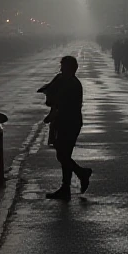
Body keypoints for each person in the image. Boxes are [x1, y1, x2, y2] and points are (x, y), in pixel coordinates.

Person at [41, 55, 91, 201]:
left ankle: (81, 174)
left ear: (71, 68)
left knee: (63, 155)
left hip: (71, 122)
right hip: (59, 122)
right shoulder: (59, 79)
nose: (61, 68)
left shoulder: (74, 85)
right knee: (62, 154)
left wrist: (54, 103)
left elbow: (66, 104)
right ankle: (67, 186)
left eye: (64, 66)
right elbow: (51, 98)